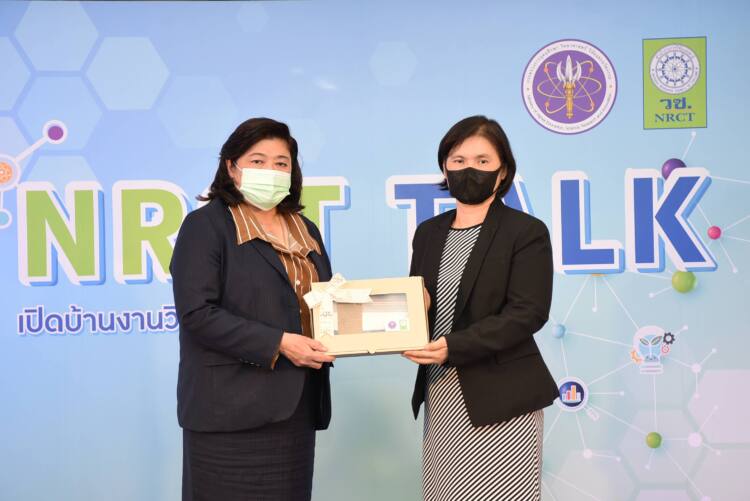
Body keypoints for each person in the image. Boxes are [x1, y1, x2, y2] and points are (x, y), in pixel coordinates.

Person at [170, 117, 335, 501]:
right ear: (231, 167)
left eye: (281, 163)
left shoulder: (305, 228)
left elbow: (319, 301)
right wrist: (279, 342)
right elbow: (196, 313)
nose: (270, 171)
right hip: (229, 412)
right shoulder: (206, 226)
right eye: (257, 161)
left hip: (295, 408)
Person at [404, 115, 558, 500]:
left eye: (482, 161)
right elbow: (417, 301)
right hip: (442, 389)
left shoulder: (526, 231)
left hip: (502, 396)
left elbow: (528, 312)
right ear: (445, 167)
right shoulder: (428, 233)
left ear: (502, 170)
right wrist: (407, 317)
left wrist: (453, 346)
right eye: (458, 160)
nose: (469, 169)